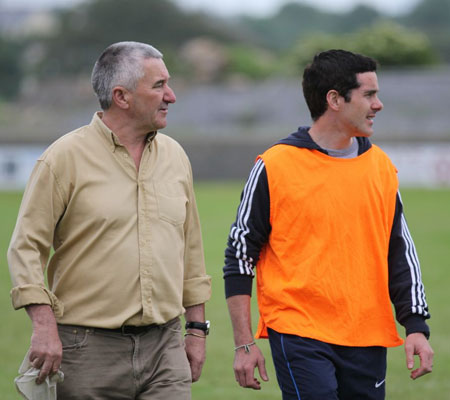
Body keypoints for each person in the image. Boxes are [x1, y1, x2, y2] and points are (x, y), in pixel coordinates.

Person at [223, 49, 433, 399]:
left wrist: (416, 326)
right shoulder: (275, 165)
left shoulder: (380, 167)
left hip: (367, 332)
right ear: (334, 99)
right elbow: (239, 257)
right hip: (298, 330)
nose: (378, 104)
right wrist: (244, 344)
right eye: (368, 94)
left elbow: (399, 251)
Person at [8, 41, 211, 399]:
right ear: (122, 96)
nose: (172, 96)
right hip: (86, 351)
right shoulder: (63, 159)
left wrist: (195, 329)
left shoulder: (176, 157)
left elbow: (191, 251)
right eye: (159, 86)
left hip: (166, 348)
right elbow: (26, 248)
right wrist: (43, 326)